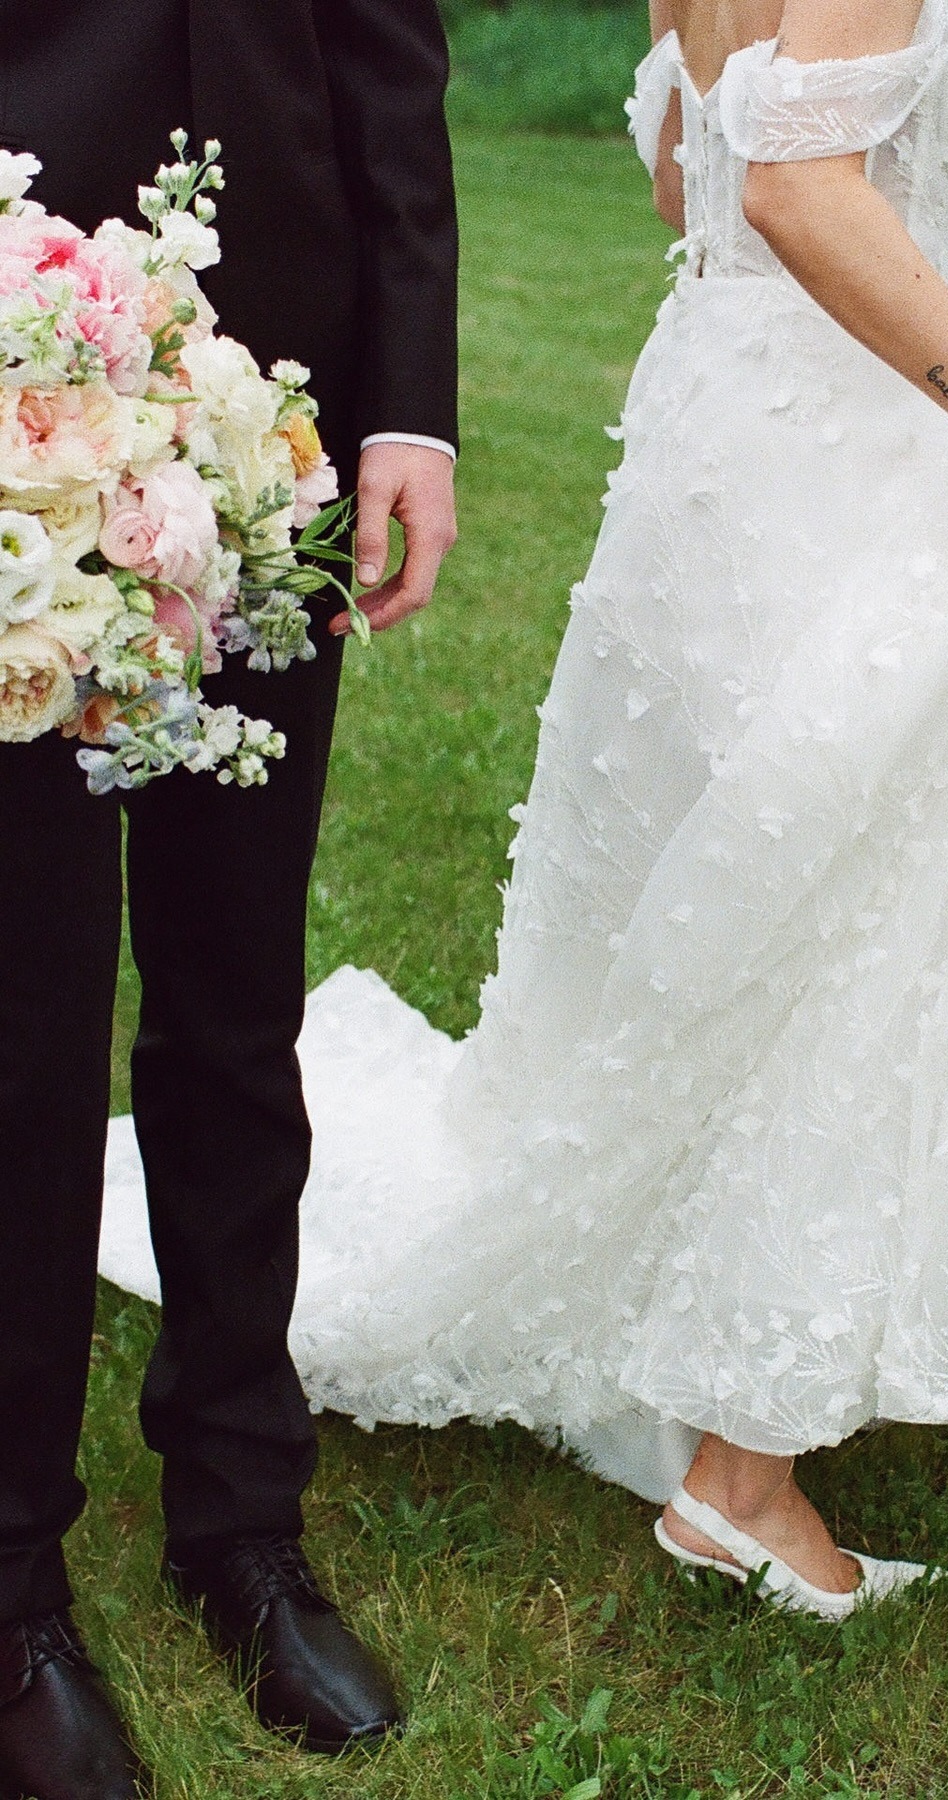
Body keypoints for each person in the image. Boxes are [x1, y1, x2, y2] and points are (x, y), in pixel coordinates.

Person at [104, 0, 948, 1624]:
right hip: (838, 447)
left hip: (720, 413)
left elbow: (682, 174)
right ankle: (741, 1475)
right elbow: (797, 187)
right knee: (858, 925)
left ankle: (702, 1340)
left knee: (746, 910)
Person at [0, 4, 459, 1795]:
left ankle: (240, 1519)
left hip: (270, 409)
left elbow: (388, 58)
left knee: (230, 992)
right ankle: (14, 1583)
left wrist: (405, 393)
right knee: (25, 1022)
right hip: (27, 371)